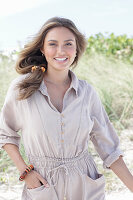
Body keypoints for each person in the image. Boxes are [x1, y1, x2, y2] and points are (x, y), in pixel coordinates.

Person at [0, 17, 133, 200]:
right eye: (53, 44)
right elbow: (5, 133)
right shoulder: (22, 89)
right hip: (42, 185)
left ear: (76, 49)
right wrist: (25, 172)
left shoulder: (87, 93)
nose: (61, 51)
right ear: (42, 49)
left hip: (86, 185)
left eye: (68, 44)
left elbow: (110, 149)